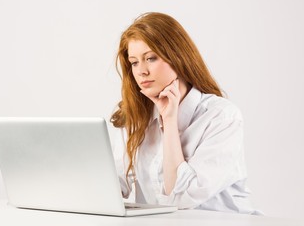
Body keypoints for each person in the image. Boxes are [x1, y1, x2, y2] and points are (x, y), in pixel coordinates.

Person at [109, 12, 260, 214]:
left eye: (150, 58)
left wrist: (169, 120)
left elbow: (180, 197)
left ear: (177, 57)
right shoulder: (134, 116)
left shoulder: (221, 117)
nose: (141, 71)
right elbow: (117, 184)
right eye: (134, 62)